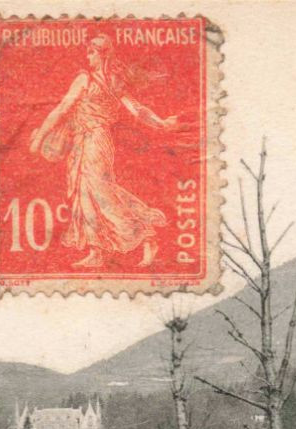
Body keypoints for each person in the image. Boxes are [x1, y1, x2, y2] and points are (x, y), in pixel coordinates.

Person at [27, 34, 182, 269]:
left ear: (103, 54)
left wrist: (161, 123)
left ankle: (146, 235)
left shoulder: (97, 80)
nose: (87, 56)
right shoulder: (90, 79)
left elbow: (135, 109)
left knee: (101, 191)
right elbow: (62, 110)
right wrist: (40, 136)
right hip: (81, 141)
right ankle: (96, 251)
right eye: (87, 52)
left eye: (91, 52)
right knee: (84, 193)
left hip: (97, 139)